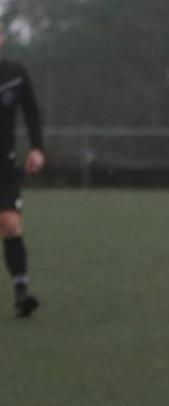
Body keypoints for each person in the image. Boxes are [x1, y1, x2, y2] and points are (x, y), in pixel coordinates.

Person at [0, 25, 45, 319]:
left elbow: (31, 111)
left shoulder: (15, 73)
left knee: (10, 223)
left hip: (4, 164)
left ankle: (21, 292)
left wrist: (37, 147)